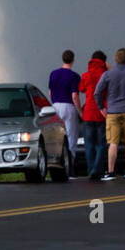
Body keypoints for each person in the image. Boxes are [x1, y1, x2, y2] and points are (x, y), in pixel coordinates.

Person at [95, 46, 125, 181]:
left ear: (116, 59)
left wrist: (101, 108)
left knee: (113, 143)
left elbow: (97, 92)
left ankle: (110, 172)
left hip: (113, 112)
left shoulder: (108, 74)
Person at [48, 51, 81, 179]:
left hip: (55, 106)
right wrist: (80, 111)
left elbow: (50, 92)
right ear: (73, 60)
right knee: (71, 137)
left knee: (57, 138)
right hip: (69, 106)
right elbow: (74, 96)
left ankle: (56, 166)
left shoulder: (53, 74)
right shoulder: (74, 76)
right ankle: (70, 168)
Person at [78, 50, 109, 181]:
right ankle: (98, 169)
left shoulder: (86, 75)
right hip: (101, 113)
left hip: (88, 113)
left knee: (89, 144)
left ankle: (91, 170)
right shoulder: (105, 75)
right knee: (101, 144)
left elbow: (81, 89)